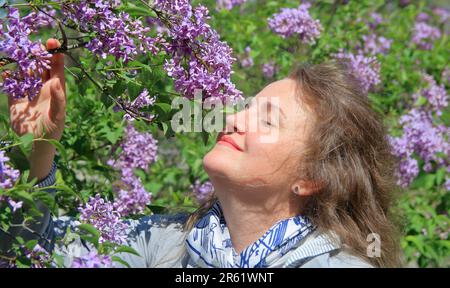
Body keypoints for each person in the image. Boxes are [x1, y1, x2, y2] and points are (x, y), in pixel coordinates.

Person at [1, 38, 403, 268]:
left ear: (311, 177)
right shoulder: (165, 243)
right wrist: (42, 147)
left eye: (266, 120)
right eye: (245, 107)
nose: (235, 119)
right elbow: (27, 249)